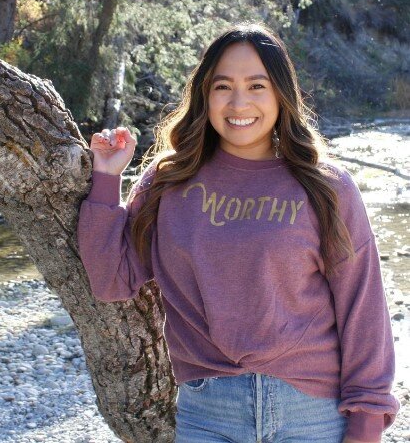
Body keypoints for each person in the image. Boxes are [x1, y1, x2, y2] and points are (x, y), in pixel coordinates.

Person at [77, 22, 401, 443]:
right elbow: (111, 280)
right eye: (223, 86)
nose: (238, 102)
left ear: (281, 94)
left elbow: (363, 305)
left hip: (314, 414)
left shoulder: (326, 186)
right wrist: (105, 179)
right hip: (208, 414)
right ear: (205, 95)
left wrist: (367, 420)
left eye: (257, 86)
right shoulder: (168, 181)